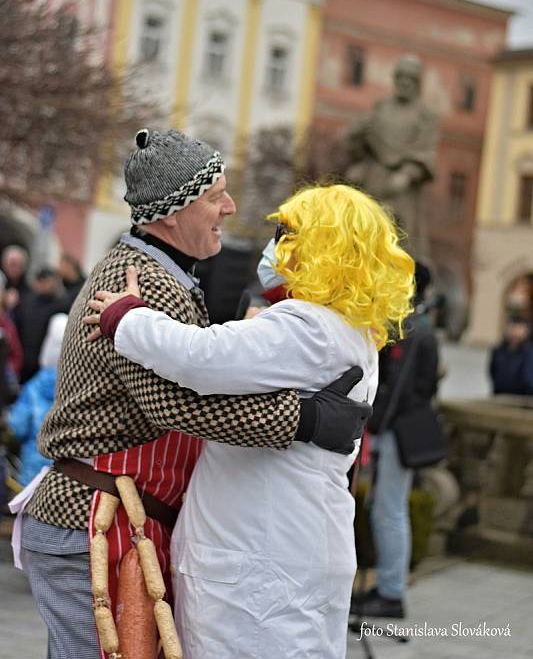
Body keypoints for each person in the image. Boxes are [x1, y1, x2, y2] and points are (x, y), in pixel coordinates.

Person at [15, 128, 366, 659]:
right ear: (172, 212)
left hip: (117, 516)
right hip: (89, 518)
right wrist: (303, 421)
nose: (229, 207)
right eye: (213, 196)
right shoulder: (144, 280)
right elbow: (176, 403)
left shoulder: (168, 276)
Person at [86, 183, 415, 659]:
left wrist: (128, 318)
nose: (274, 244)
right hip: (286, 551)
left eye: (286, 232)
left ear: (320, 245)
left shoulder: (307, 326)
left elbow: (200, 358)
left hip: (258, 563)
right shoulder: (349, 328)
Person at [353, 262, 439, 619]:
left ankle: (391, 592)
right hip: (397, 429)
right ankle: (388, 587)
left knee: (390, 511)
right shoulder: (418, 325)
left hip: (397, 431)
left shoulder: (413, 329)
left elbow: (399, 389)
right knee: (388, 509)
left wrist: (371, 425)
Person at [346, 55, 439, 259]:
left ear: (417, 83)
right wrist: (358, 138)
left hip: (403, 185)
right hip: (374, 176)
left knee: (401, 236)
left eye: (410, 78)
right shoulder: (381, 107)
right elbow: (361, 143)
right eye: (401, 77)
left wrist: (407, 174)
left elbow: (426, 151)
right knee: (367, 231)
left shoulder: (425, 114)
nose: (404, 82)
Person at [8, 313, 67, 486]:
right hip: (67, 470)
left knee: (31, 510)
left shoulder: (34, 387)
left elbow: (18, 426)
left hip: (33, 469)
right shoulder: (79, 386)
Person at [15, 267, 63, 383]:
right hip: (24, 360)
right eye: (45, 281)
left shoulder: (61, 305)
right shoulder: (26, 302)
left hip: (43, 363)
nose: (49, 285)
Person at [489, 315, 533, 396]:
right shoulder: (499, 350)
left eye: (519, 327)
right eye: (512, 327)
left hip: (523, 400)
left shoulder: (529, 352)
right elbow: (492, 372)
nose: (515, 331)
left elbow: (528, 379)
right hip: (499, 397)